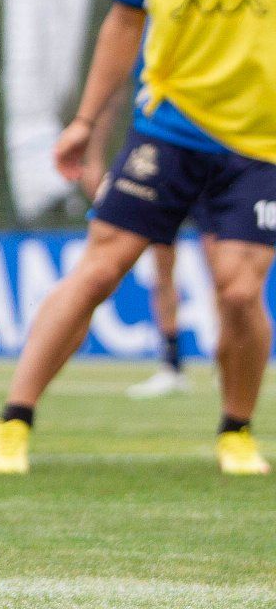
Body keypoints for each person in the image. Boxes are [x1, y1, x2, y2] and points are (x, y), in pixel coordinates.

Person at [0, 0, 276, 477]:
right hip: (169, 130)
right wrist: (84, 122)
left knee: (241, 290)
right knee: (99, 270)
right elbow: (122, 24)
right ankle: (13, 420)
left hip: (260, 141)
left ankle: (236, 429)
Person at [78, 83, 197, 398]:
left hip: (221, 151)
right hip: (166, 149)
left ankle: (229, 366)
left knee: (226, 264)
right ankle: (171, 366)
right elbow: (112, 94)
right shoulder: (146, 58)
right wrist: (94, 157)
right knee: (162, 264)